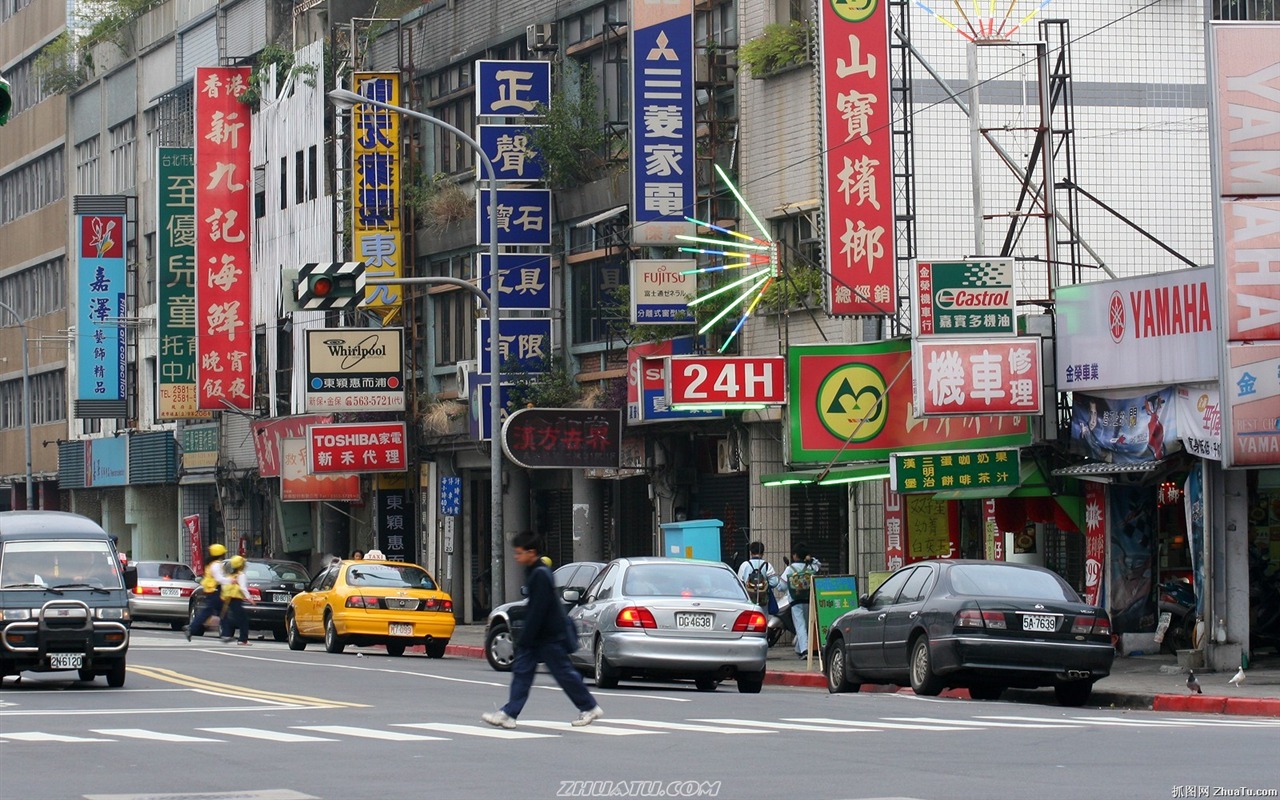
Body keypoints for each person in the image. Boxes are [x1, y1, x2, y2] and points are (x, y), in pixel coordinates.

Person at [481, 531, 603, 730]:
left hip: (547, 636)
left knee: (562, 673)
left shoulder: (540, 574)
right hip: (541, 636)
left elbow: (539, 609)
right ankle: (509, 713)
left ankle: (589, 706)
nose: (516, 556)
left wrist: (525, 637)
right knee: (524, 673)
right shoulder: (535, 571)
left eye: (519, 553)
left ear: (532, 552)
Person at [779, 544, 822, 659]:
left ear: (794, 556)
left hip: (795, 601)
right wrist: (811, 559)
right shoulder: (810, 568)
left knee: (800, 625)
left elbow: (781, 586)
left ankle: (804, 651)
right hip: (808, 599)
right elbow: (818, 565)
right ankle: (799, 649)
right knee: (806, 625)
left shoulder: (790, 569)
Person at [186, 543, 228, 641]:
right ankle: (226, 634)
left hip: (211, 590)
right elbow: (219, 578)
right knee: (220, 612)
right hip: (215, 590)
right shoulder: (216, 565)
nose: (224, 555)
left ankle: (226, 634)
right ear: (220, 554)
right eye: (223, 553)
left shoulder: (211, 563)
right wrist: (230, 580)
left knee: (215, 612)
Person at [219, 555, 254, 645]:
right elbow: (243, 588)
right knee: (243, 619)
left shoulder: (230, 575)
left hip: (227, 598)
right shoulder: (241, 575)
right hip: (236, 598)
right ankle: (243, 639)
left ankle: (226, 634)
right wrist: (249, 598)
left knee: (226, 616)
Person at [736, 541, 778, 612]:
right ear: (763, 553)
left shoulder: (745, 565)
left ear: (751, 552)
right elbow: (774, 582)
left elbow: (739, 583)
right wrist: (765, 586)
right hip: (763, 600)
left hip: (748, 599)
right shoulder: (767, 565)